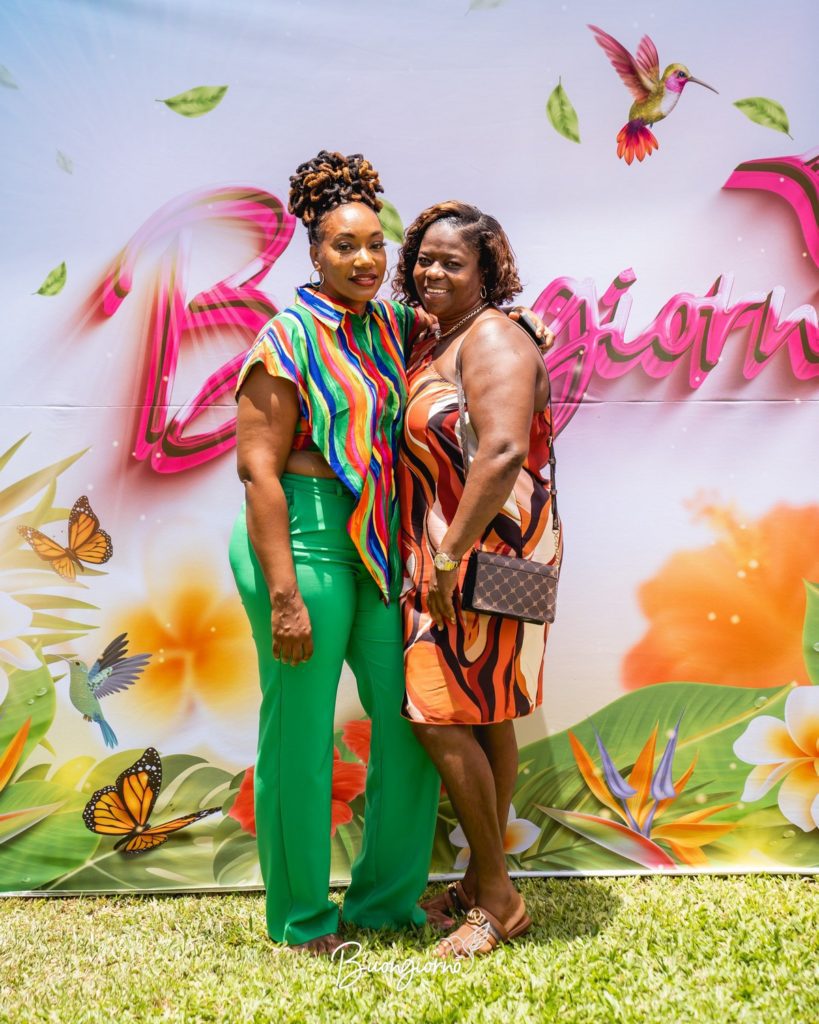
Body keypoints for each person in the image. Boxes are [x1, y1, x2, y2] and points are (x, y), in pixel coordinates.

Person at [229, 151, 443, 955]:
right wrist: (284, 596)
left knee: (412, 716)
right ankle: (302, 920)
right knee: (301, 731)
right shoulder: (285, 336)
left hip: (377, 538)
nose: (364, 260)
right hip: (301, 536)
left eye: (375, 244)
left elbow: (461, 330)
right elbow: (258, 470)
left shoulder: (392, 326)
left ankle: (385, 902)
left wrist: (519, 324)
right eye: (344, 246)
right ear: (313, 253)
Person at [394, 201, 559, 957]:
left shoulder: (490, 336)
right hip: (461, 545)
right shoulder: (445, 335)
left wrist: (449, 555)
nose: (431, 271)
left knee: (438, 712)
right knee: (486, 709)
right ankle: (478, 882)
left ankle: (497, 898)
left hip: (480, 548)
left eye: (451, 262)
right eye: (423, 259)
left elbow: (500, 453)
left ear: (485, 270)